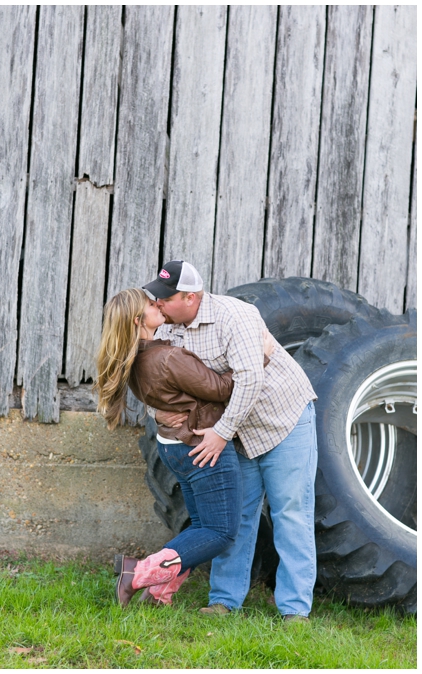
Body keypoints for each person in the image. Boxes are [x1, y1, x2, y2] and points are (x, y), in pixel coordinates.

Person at [142, 260, 318, 622]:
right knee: (237, 516)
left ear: (191, 297)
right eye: (155, 298)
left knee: (290, 512)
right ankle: (224, 601)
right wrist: (165, 418)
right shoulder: (167, 331)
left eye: (165, 298)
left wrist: (221, 433)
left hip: (282, 420)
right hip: (232, 430)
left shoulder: (235, 316)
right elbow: (160, 384)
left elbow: (250, 380)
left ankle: (295, 609)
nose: (157, 304)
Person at [96, 288, 273, 606]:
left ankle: (159, 590)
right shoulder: (167, 358)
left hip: (173, 446)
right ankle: (138, 573)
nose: (158, 304)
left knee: (202, 525)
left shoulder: (136, 357)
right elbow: (222, 389)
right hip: (199, 446)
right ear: (139, 320)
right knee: (220, 532)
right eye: (151, 305)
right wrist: (259, 356)